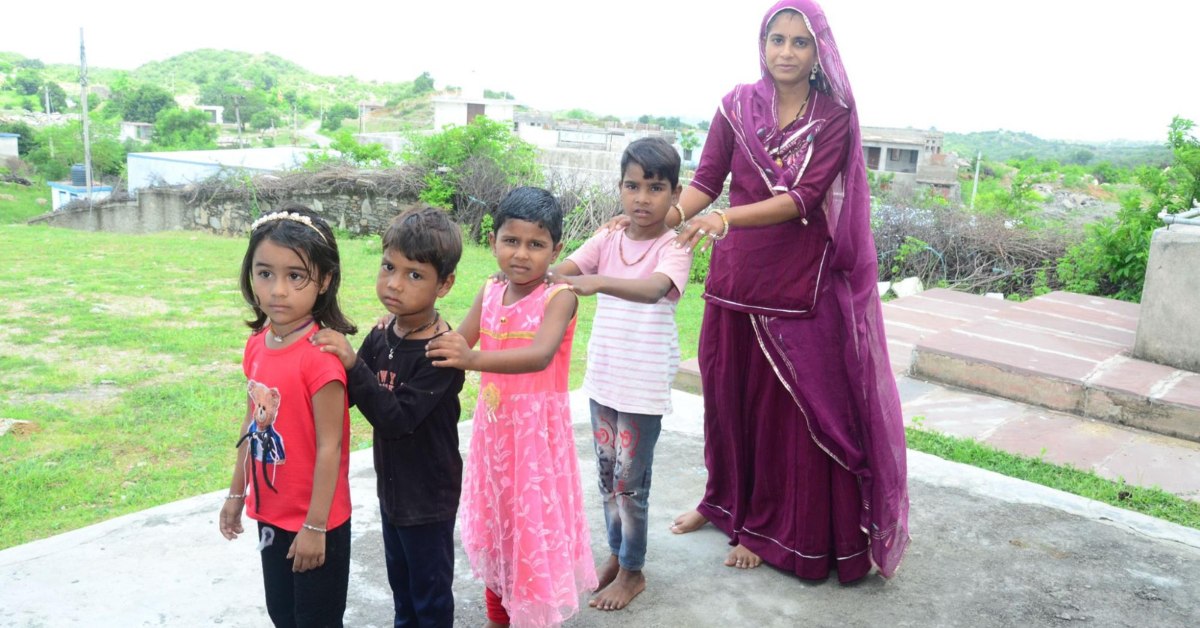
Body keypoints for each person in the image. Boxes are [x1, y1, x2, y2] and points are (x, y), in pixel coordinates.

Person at [664, 0, 910, 582]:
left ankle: (772, 529)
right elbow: (706, 181)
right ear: (763, 43)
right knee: (727, 402)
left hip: (800, 285)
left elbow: (803, 199)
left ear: (817, 51)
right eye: (777, 39)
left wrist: (725, 220)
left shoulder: (834, 117)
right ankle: (722, 503)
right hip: (734, 283)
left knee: (791, 414)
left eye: (800, 42)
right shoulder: (735, 104)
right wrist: (665, 216)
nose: (786, 52)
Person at [426, 187, 597, 627]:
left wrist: (473, 360)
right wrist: (411, 327)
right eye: (511, 241)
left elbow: (539, 355)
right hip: (495, 438)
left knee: (530, 537)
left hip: (536, 444)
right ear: (494, 240)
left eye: (536, 245)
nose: (521, 255)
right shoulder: (490, 290)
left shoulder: (560, 297)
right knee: (498, 530)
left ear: (556, 249)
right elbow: (460, 339)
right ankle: (497, 618)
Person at [547, 137, 692, 611]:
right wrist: (544, 267)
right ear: (620, 188)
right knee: (608, 477)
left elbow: (654, 290)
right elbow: (564, 269)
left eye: (655, 188)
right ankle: (616, 554)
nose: (641, 199)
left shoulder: (676, 245)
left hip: (643, 386)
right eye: (632, 186)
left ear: (676, 194)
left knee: (632, 484)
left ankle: (633, 571)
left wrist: (598, 281)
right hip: (605, 379)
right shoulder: (608, 238)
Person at [311, 206, 465, 627]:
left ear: (445, 284)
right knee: (402, 588)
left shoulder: (442, 354)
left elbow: (396, 419)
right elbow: (351, 395)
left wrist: (352, 362)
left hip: (429, 497)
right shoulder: (384, 335)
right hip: (393, 493)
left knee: (429, 596)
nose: (395, 284)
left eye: (414, 275)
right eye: (388, 267)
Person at [219, 204, 357, 626]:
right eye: (265, 273)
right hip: (269, 515)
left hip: (317, 523)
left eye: (295, 276)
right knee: (282, 615)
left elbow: (332, 446)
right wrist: (236, 492)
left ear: (325, 280)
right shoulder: (257, 346)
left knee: (315, 621)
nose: (278, 290)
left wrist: (315, 527)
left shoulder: (320, 359)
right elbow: (251, 425)